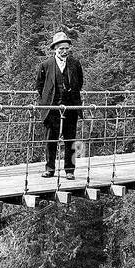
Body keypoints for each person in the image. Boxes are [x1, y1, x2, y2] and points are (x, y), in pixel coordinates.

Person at [35, 30, 84, 179]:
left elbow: (80, 82)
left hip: (71, 106)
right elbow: (40, 85)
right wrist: (49, 99)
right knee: (51, 138)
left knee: (71, 139)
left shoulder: (75, 64)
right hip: (52, 107)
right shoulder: (46, 65)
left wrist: (71, 95)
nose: (64, 51)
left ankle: (70, 170)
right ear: (54, 49)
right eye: (60, 48)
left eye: (66, 48)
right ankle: (50, 169)